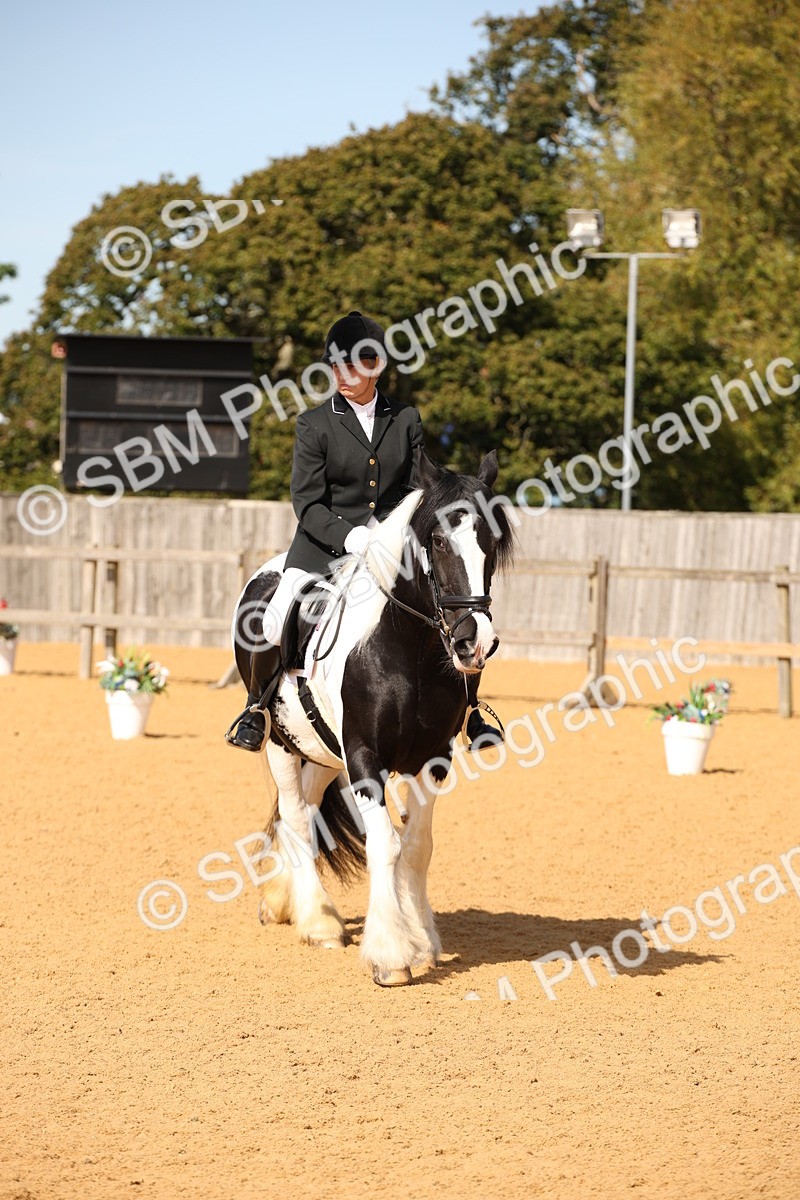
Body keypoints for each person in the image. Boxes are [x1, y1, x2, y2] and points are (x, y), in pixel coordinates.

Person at [227, 310, 503, 752]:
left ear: (376, 366)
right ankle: (256, 708)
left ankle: (470, 712)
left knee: (452, 608)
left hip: (390, 548)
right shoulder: (314, 424)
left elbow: (417, 486)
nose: (341, 375)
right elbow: (307, 503)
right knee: (276, 618)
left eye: (352, 366)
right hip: (323, 548)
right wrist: (351, 536)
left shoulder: (405, 418)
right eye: (335, 366)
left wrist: (396, 530)